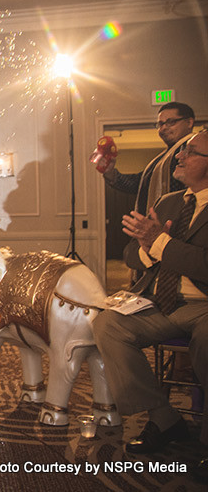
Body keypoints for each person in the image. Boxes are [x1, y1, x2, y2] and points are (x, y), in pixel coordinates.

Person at [94, 130, 208, 481]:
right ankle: (163, 417)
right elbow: (131, 254)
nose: (179, 156)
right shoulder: (171, 201)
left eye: (190, 152)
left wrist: (160, 242)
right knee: (107, 324)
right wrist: (148, 245)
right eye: (182, 151)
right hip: (161, 302)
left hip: (204, 306)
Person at [101, 102, 195, 216]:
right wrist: (110, 173)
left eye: (171, 122)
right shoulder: (162, 159)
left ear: (189, 122)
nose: (164, 128)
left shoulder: (193, 149)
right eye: (160, 124)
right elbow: (138, 184)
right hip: (157, 228)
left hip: (177, 227)